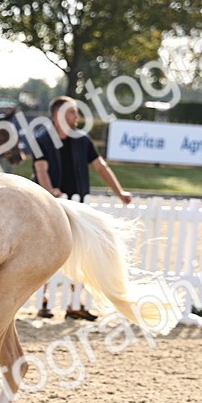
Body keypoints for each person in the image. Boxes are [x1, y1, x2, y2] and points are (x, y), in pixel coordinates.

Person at [31, 96, 133, 320]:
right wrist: (50, 192)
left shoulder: (82, 140)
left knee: (80, 253)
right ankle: (44, 301)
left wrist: (120, 192)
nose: (76, 116)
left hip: (78, 206)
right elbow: (41, 170)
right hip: (49, 207)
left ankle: (74, 305)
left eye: (76, 112)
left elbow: (100, 166)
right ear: (58, 115)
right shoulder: (42, 139)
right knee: (46, 253)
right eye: (71, 112)